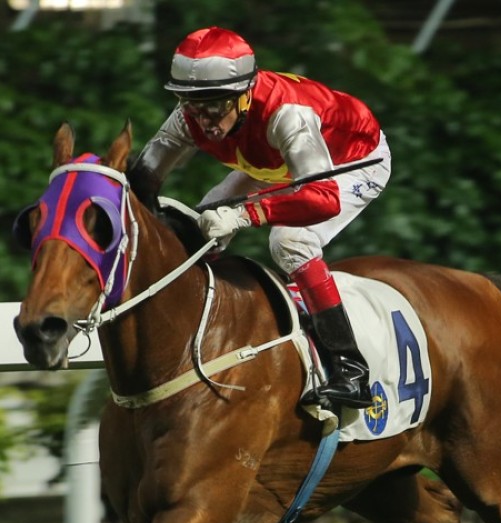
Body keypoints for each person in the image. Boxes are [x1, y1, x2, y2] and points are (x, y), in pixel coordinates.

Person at [129, 26, 391, 409]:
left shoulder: (289, 115)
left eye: (216, 105)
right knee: (203, 219)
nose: (204, 120)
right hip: (277, 160)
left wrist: (245, 215)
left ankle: (350, 371)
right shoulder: (193, 114)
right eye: (191, 104)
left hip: (349, 164)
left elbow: (322, 199)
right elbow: (142, 182)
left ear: (247, 94)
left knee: (290, 242)